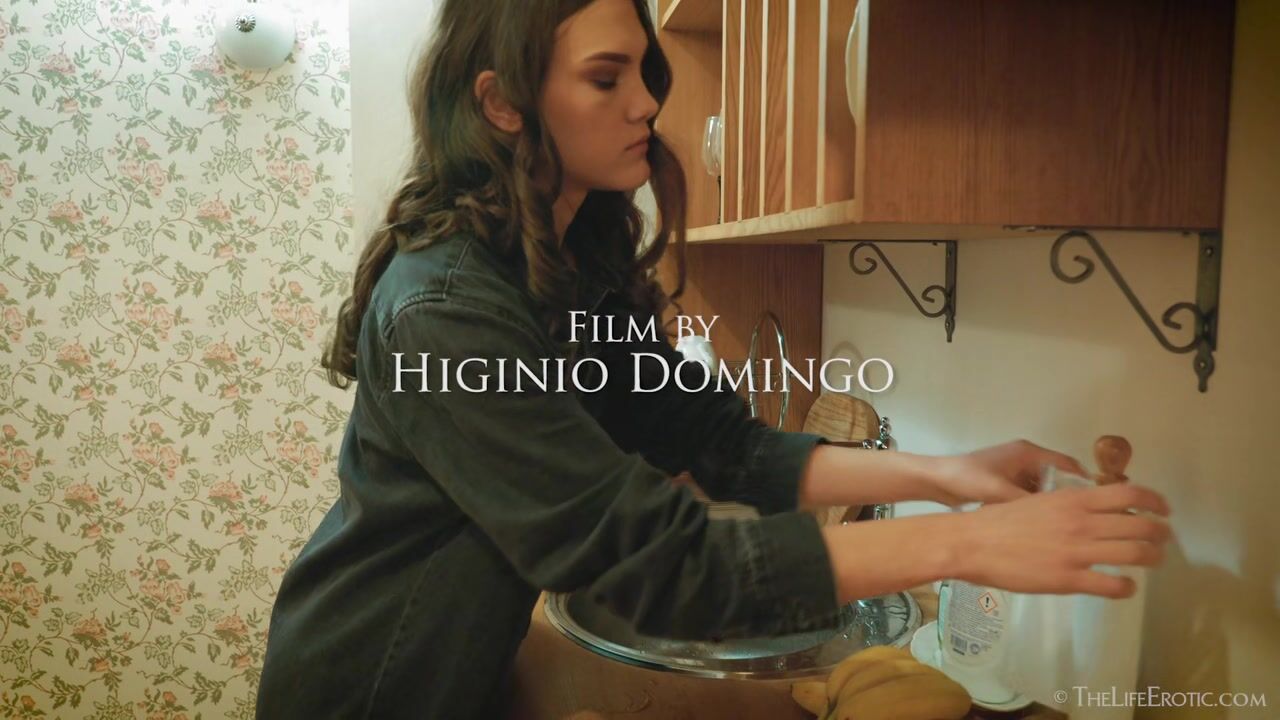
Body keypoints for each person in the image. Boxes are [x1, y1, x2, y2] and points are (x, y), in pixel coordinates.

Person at [254, 1, 1173, 718]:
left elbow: (721, 442)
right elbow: (661, 564)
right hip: (370, 684)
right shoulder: (447, 313)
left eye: (643, 73)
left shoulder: (567, 274)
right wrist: (970, 543)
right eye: (605, 78)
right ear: (502, 103)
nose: (647, 103)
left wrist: (947, 475)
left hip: (459, 670)